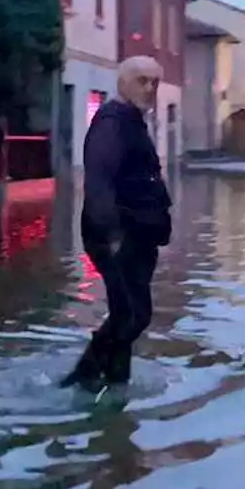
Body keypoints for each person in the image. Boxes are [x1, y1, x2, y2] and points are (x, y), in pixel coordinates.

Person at [60, 56, 173, 393]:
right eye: (142, 80)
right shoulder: (112, 122)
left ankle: (115, 380)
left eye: (155, 81)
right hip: (116, 236)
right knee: (132, 314)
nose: (150, 88)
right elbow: (99, 182)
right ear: (123, 83)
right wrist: (111, 234)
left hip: (138, 235)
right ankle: (84, 377)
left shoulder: (132, 120)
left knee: (131, 313)